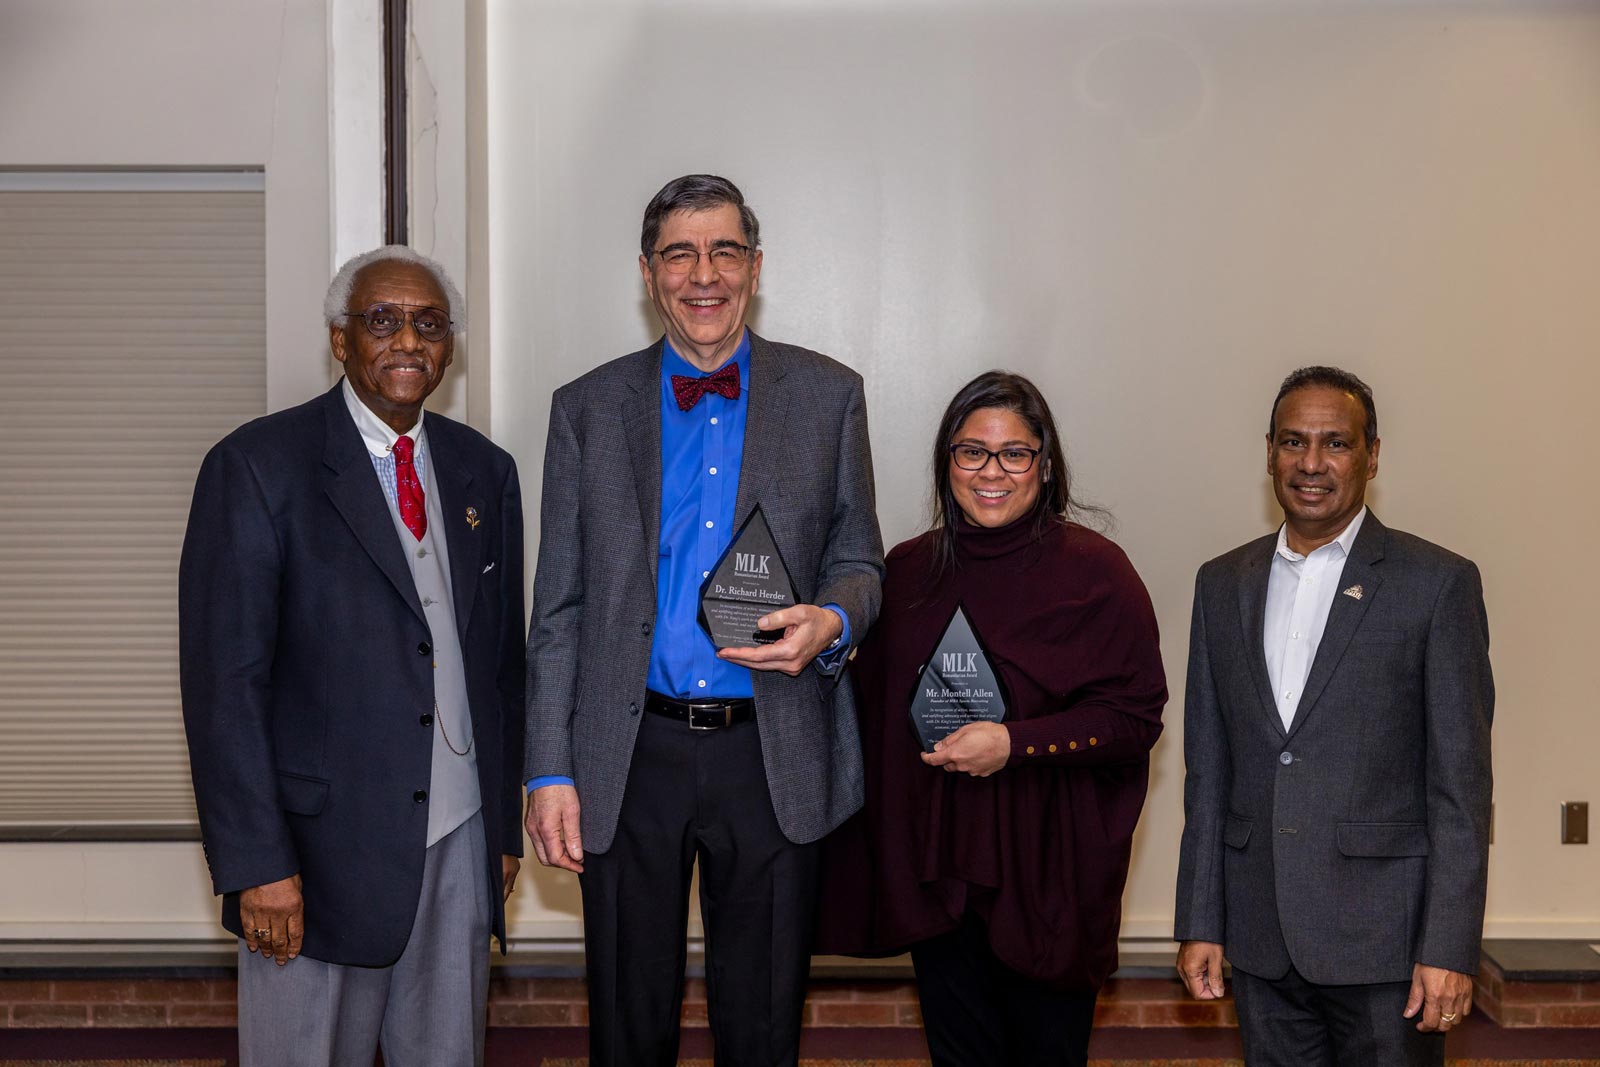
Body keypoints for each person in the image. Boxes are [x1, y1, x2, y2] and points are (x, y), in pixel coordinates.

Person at [522, 174, 885, 1067]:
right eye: (680, 253)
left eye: (724, 251)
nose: (704, 273)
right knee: (626, 1024)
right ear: (649, 274)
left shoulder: (830, 395)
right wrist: (548, 768)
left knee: (761, 1028)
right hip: (628, 749)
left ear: (755, 268)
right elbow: (558, 607)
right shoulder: (586, 408)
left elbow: (862, 561)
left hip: (771, 745)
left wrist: (832, 617)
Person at [179, 246, 526, 1067]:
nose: (409, 340)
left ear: (450, 346)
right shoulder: (259, 467)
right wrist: (256, 863)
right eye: (383, 320)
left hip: (458, 834)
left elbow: (500, 662)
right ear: (341, 340)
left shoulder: (484, 470)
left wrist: (501, 825)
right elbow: (223, 684)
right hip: (312, 862)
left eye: (430, 323)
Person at [816, 370, 1168, 1067]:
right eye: (971, 451)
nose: (992, 472)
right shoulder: (911, 571)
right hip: (939, 883)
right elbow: (873, 707)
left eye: (1015, 452)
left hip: (1050, 880)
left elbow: (1134, 718)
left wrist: (1015, 742)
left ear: (1045, 462)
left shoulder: (1099, 574)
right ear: (947, 462)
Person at [1174, 366, 1494, 1065]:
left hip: (1390, 951)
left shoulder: (1436, 583)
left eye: (1336, 443)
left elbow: (1460, 787)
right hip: (1261, 940)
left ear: (1372, 454)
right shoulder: (1221, 584)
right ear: (1269, 452)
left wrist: (1448, 944)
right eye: (1293, 442)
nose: (1311, 463)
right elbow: (1209, 771)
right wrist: (1201, 919)